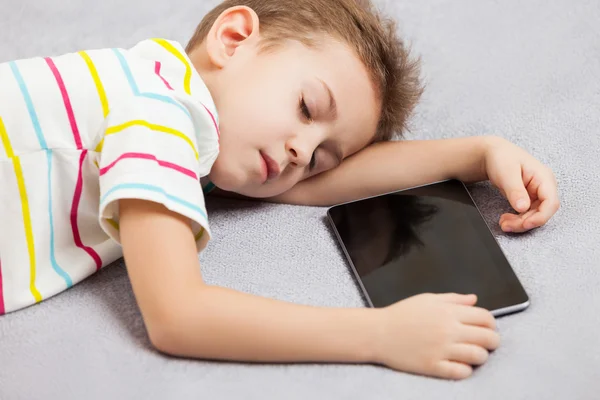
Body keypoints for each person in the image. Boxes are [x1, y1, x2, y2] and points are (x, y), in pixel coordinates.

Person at [0, 0, 559, 380]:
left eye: (319, 154)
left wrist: (479, 153)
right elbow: (177, 315)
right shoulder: (159, 118)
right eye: (307, 108)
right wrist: (381, 334)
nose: (301, 152)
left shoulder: (166, 101)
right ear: (235, 39)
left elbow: (320, 187)